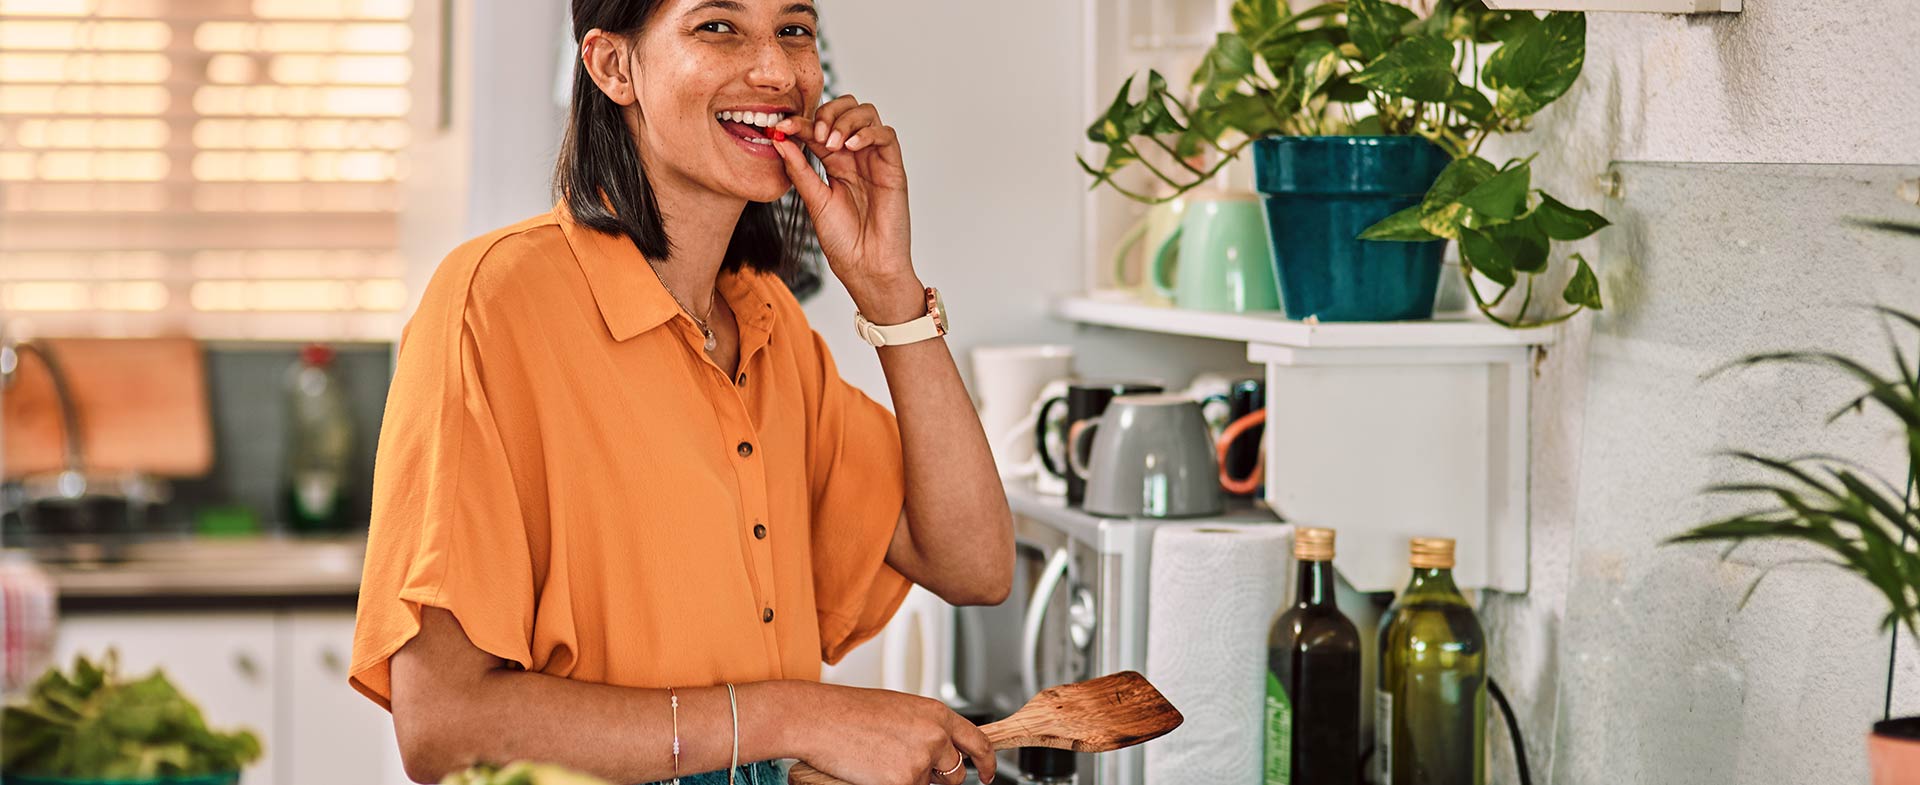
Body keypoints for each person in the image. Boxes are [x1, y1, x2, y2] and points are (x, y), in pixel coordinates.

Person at [347, 1, 1015, 784]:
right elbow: (445, 726)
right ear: (612, 66)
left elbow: (975, 564)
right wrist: (797, 716)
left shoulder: (769, 324)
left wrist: (890, 291)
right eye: (718, 26)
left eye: (793, 30)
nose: (776, 72)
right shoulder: (492, 304)